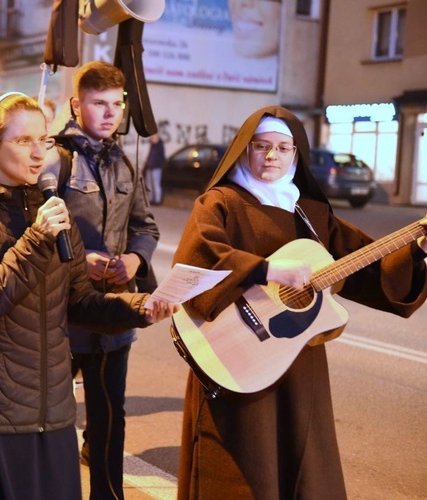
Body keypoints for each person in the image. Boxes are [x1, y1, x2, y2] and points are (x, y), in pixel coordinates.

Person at [173, 106, 427, 499]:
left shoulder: (309, 211)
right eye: (261, 146)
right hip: (235, 358)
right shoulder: (219, 203)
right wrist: (267, 271)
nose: (271, 156)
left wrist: (416, 250)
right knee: (241, 467)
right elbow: (198, 259)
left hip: (298, 365)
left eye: (282, 148)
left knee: (302, 466)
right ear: (244, 150)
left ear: (295, 155)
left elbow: (365, 261)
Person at [0, 92, 176, 500]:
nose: (37, 153)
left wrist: (141, 307)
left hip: (54, 409)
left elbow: (80, 302)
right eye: (23, 141)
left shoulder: (53, 208)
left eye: (43, 140)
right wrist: (35, 239)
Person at [43, 60, 160, 500]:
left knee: (110, 417)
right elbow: (33, 231)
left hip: (113, 315)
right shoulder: (54, 157)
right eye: (99, 104)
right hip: (62, 313)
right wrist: (77, 261)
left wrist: (134, 259)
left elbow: (146, 226)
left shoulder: (124, 161)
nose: (110, 114)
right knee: (51, 416)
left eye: (116, 104)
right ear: (77, 104)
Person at [144, 133, 165, 205]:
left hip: (156, 167)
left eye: (153, 137)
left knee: (156, 184)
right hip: (150, 166)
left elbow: (160, 158)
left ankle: (157, 200)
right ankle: (150, 199)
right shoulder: (152, 146)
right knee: (149, 184)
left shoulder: (159, 146)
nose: (152, 139)